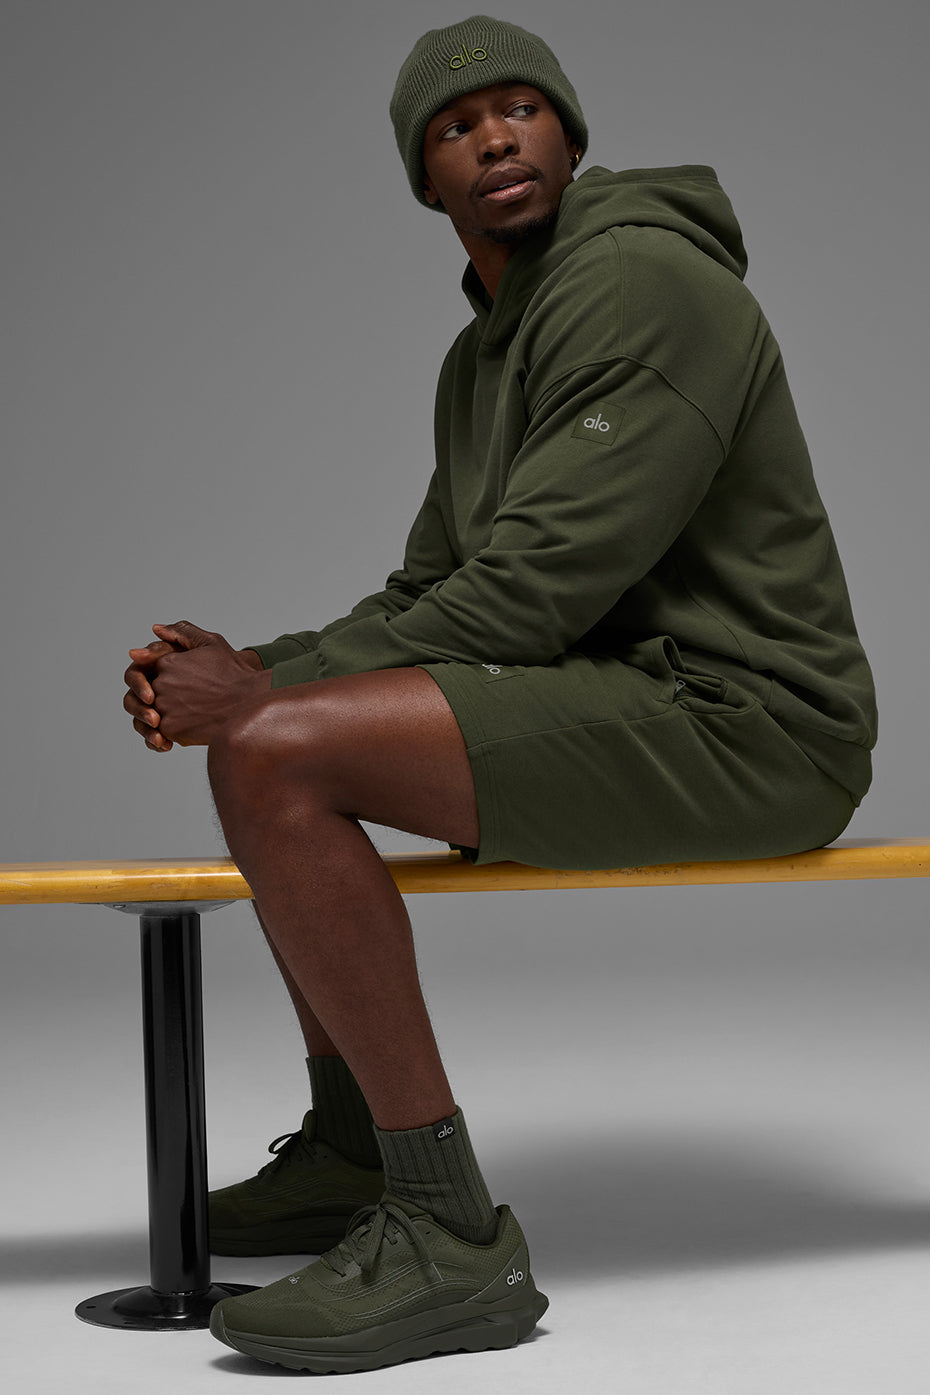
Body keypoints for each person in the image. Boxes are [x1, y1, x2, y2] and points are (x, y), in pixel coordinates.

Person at [122, 14, 877, 1375]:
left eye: (520, 109)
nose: (493, 137)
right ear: (426, 180)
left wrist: (255, 705)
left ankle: (448, 1238)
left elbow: (530, 600)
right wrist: (254, 671)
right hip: (630, 691)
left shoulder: (639, 283)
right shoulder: (482, 358)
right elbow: (430, 592)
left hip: (752, 722)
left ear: (569, 136)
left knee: (276, 754)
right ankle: (355, 1153)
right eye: (454, 127)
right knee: (269, 737)